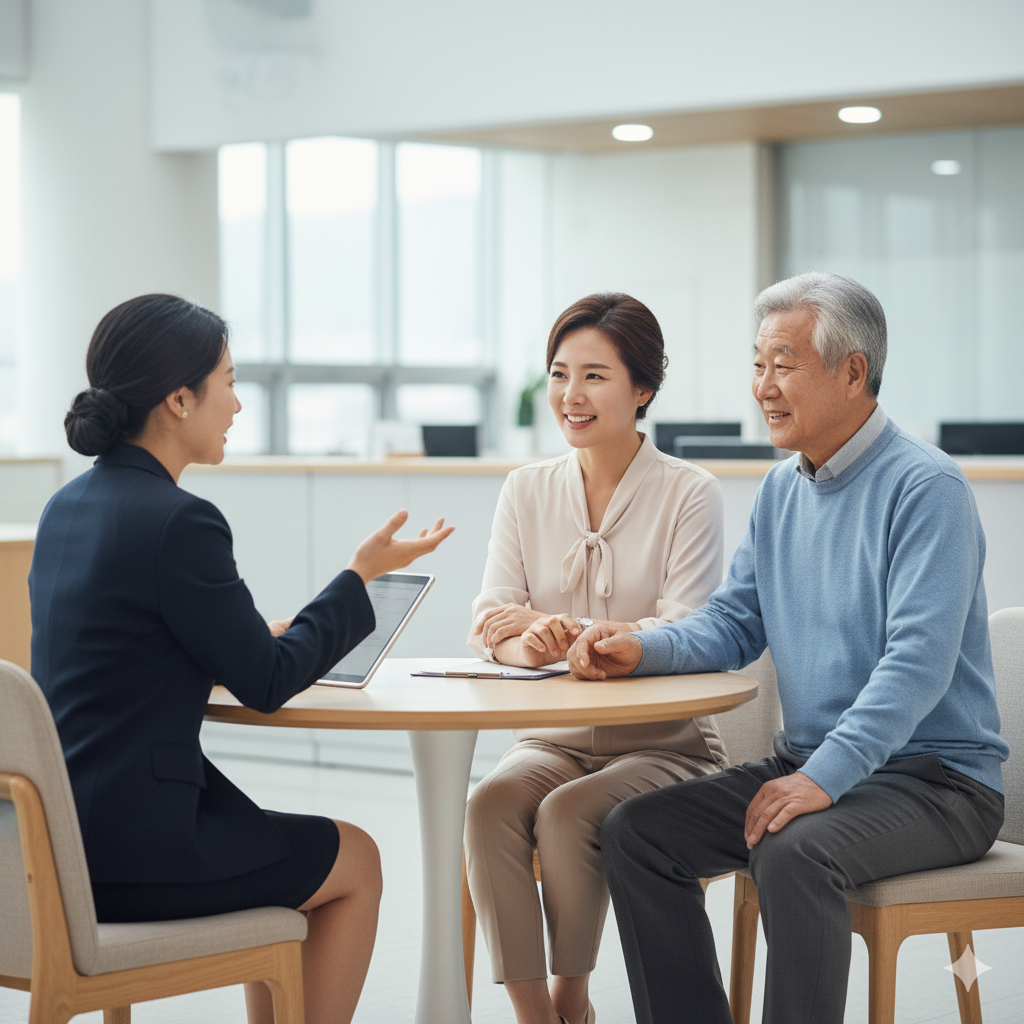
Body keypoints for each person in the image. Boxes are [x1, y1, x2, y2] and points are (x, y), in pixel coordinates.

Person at [568, 272, 1009, 1024]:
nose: (762, 386)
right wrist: (643, 647)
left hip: (938, 785)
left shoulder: (927, 488)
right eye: (757, 363)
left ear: (852, 372)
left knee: (792, 850)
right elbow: (734, 624)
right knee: (637, 834)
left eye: (783, 363)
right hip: (811, 766)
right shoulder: (781, 491)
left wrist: (825, 778)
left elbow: (917, 663)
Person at [29, 294, 453, 1024]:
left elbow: (128, 645)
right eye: (228, 381)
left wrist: (260, 630)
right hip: (138, 852)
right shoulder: (179, 520)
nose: (236, 405)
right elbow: (266, 682)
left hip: (60, 844)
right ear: (178, 398)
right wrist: (357, 579)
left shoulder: (67, 507)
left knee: (302, 857)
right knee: (355, 861)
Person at [464, 293, 728, 1024]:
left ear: (642, 388)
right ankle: (535, 1016)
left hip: (666, 743)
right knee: (488, 804)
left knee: (569, 811)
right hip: (554, 736)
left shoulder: (691, 493)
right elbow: (492, 617)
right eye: (558, 374)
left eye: (594, 376)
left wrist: (562, 624)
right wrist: (528, 641)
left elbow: (683, 626)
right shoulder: (526, 489)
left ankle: (570, 996)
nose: (570, 396)